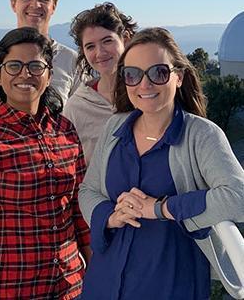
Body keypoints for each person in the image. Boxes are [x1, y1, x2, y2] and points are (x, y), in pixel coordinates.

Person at [78, 27, 244, 299]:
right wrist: (111, 215)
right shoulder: (114, 127)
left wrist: (160, 208)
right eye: (132, 74)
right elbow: (88, 191)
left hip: (171, 284)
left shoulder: (201, 135)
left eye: (158, 73)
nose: (144, 85)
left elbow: (238, 197)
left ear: (178, 77)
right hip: (104, 283)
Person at [0, 27, 90, 299]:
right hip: (12, 287)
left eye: (36, 66)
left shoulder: (65, 131)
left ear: (49, 75)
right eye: (14, 66)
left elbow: (78, 207)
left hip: (70, 284)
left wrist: (97, 266)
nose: (25, 74)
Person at [63, 2, 137, 164]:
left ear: (125, 39)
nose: (100, 53)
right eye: (90, 46)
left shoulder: (148, 93)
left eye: (107, 41)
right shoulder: (76, 108)